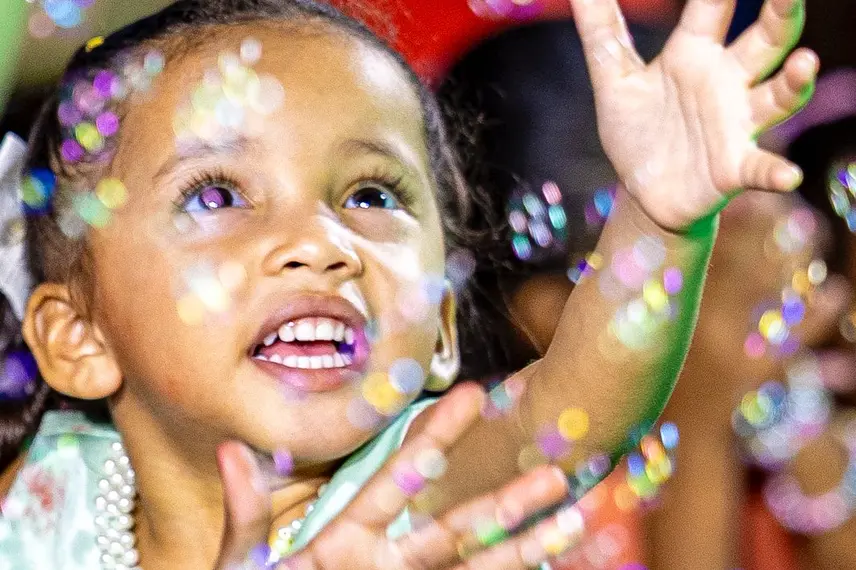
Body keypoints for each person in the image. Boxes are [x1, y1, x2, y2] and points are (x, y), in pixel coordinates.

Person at [0, 0, 815, 568]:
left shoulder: (400, 495)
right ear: (78, 338)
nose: (321, 243)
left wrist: (662, 217)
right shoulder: (37, 492)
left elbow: (575, 414)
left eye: (370, 195)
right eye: (216, 194)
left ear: (442, 331)